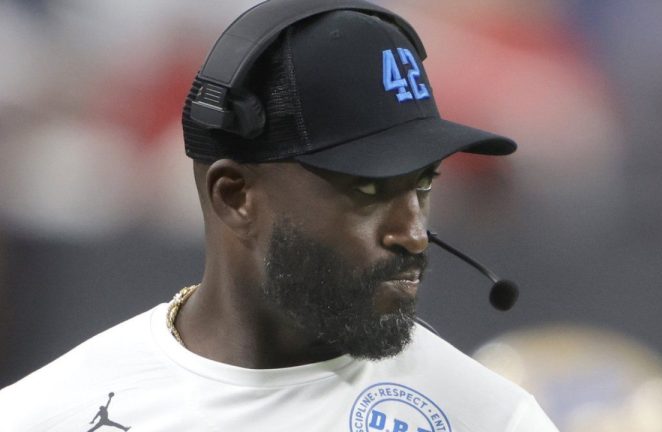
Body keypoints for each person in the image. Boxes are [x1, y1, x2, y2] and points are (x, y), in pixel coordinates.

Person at [0, 1, 558, 430]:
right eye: (368, 190)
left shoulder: (492, 418)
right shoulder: (44, 415)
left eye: (423, 185)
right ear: (235, 196)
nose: (413, 234)